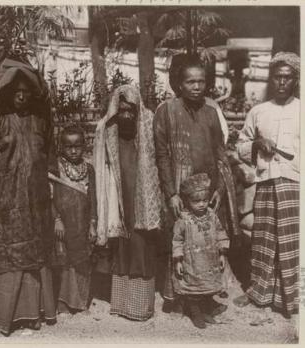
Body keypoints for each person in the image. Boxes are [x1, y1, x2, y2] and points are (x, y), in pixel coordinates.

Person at [0, 58, 56, 335]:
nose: (21, 97)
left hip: (35, 200)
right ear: (8, 93)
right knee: (7, 255)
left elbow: (49, 158)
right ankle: (5, 315)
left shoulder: (40, 120)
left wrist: (50, 195)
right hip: (5, 201)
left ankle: (32, 314)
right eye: (16, 92)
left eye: (26, 92)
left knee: (35, 253)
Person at [153, 59, 238, 316]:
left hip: (206, 192)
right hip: (178, 190)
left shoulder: (211, 112)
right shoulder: (166, 111)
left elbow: (220, 154)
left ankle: (204, 296)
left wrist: (219, 189)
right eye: (190, 81)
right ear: (179, 84)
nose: (197, 87)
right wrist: (171, 193)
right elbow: (162, 155)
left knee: (206, 241)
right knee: (181, 241)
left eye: (201, 81)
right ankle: (179, 297)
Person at [233, 52, 300, 318]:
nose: (282, 82)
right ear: (271, 79)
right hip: (266, 182)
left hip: (295, 184)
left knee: (292, 241)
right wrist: (258, 144)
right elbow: (240, 145)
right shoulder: (259, 111)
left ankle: (292, 299)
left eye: (287, 77)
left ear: (295, 80)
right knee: (264, 239)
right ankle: (259, 292)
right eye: (277, 77)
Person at [93, 84, 163, 321]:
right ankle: (122, 303)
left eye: (131, 110)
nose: (127, 115)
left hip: (143, 201)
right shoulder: (106, 129)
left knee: (141, 246)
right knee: (122, 247)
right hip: (118, 199)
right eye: (122, 110)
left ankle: (141, 306)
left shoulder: (148, 125)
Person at [172, 173, 230, 329]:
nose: (201, 204)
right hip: (192, 262)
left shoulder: (212, 215)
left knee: (207, 285)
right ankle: (195, 311)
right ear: (188, 201)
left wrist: (222, 253)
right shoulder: (183, 219)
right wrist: (178, 260)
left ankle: (206, 310)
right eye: (196, 201)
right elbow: (177, 240)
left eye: (204, 200)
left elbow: (220, 232)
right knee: (193, 288)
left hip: (209, 259)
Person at [50, 125, 97, 314]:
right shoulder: (55, 168)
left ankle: (80, 302)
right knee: (64, 261)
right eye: (69, 147)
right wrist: (57, 219)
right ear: (61, 147)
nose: (74, 150)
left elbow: (93, 198)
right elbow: (49, 197)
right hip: (64, 223)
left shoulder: (89, 169)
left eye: (78, 146)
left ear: (84, 146)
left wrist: (93, 223)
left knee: (82, 260)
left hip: (82, 222)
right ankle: (63, 302)